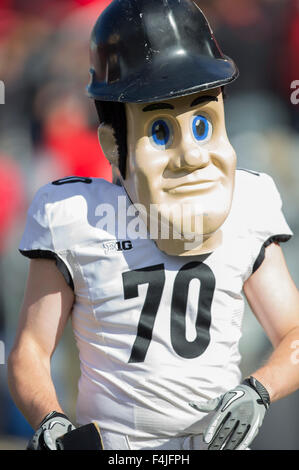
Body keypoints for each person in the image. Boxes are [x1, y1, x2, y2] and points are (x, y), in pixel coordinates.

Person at [7, 0, 299, 451]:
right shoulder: (75, 216)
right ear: (113, 143)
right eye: (160, 132)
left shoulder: (249, 203)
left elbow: (294, 334)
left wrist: (257, 391)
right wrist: (51, 420)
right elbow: (29, 349)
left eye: (203, 124)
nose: (193, 156)